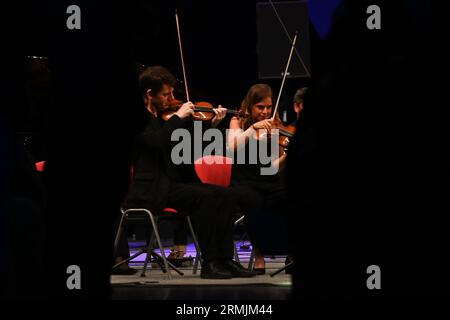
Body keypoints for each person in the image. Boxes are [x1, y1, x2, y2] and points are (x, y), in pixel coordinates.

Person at [122, 66, 255, 279]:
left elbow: (191, 151)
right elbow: (156, 142)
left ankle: (225, 259)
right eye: (166, 94)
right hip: (151, 189)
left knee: (228, 194)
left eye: (172, 94)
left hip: (174, 185)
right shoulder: (136, 119)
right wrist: (178, 118)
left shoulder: (169, 120)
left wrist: (211, 126)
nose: (172, 99)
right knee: (206, 197)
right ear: (149, 94)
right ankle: (210, 263)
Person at [227, 83, 291, 274]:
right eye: (260, 107)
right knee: (254, 202)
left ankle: (292, 253)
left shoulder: (275, 127)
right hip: (244, 181)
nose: (265, 112)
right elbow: (233, 146)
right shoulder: (237, 122)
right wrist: (253, 129)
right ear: (250, 106)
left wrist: (287, 156)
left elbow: (272, 167)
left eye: (269, 107)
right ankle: (259, 254)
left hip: (268, 180)